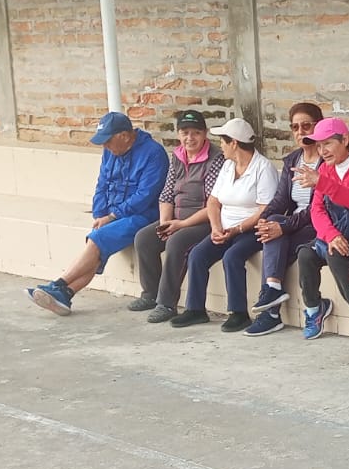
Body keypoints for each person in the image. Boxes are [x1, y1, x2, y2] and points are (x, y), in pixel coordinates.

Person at [28, 110, 168, 315]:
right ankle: (66, 295)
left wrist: (112, 216)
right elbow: (102, 184)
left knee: (96, 240)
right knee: (96, 245)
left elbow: (145, 195)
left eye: (108, 141)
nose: (105, 146)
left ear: (124, 136)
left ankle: (58, 284)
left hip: (143, 215)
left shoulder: (153, 153)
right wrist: (100, 214)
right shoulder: (110, 151)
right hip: (114, 215)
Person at [169, 118, 279, 331]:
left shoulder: (263, 168)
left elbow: (265, 210)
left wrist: (237, 229)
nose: (221, 145)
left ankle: (239, 313)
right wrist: (216, 227)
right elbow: (213, 201)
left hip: (251, 230)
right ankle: (195, 310)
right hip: (224, 228)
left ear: (234, 143)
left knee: (232, 256)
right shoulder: (228, 166)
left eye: (223, 141)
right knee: (197, 255)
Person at [292, 117, 349, 341]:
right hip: (339, 236)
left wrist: (321, 182)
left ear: (344, 140)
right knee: (305, 255)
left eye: (328, 144)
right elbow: (317, 210)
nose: (322, 151)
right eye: (319, 145)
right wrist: (331, 235)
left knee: (336, 254)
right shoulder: (325, 169)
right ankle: (314, 309)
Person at [127, 110, 224, 323]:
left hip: (203, 220)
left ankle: (167, 303)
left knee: (176, 242)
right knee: (144, 238)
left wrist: (180, 225)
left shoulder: (215, 158)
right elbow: (166, 194)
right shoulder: (178, 155)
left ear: (205, 133)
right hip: (176, 218)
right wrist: (165, 223)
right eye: (185, 132)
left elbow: (213, 204)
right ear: (178, 134)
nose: (190, 138)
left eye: (196, 133)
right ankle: (150, 294)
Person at [244, 102, 324, 337]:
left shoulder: (325, 160)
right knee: (273, 224)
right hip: (296, 223)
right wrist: (264, 219)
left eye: (306, 126)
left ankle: (270, 312)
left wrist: (284, 226)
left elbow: (317, 209)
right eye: (295, 127)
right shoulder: (292, 160)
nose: (300, 132)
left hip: (318, 223)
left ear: (318, 126)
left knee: (276, 235)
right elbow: (281, 199)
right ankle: (273, 290)